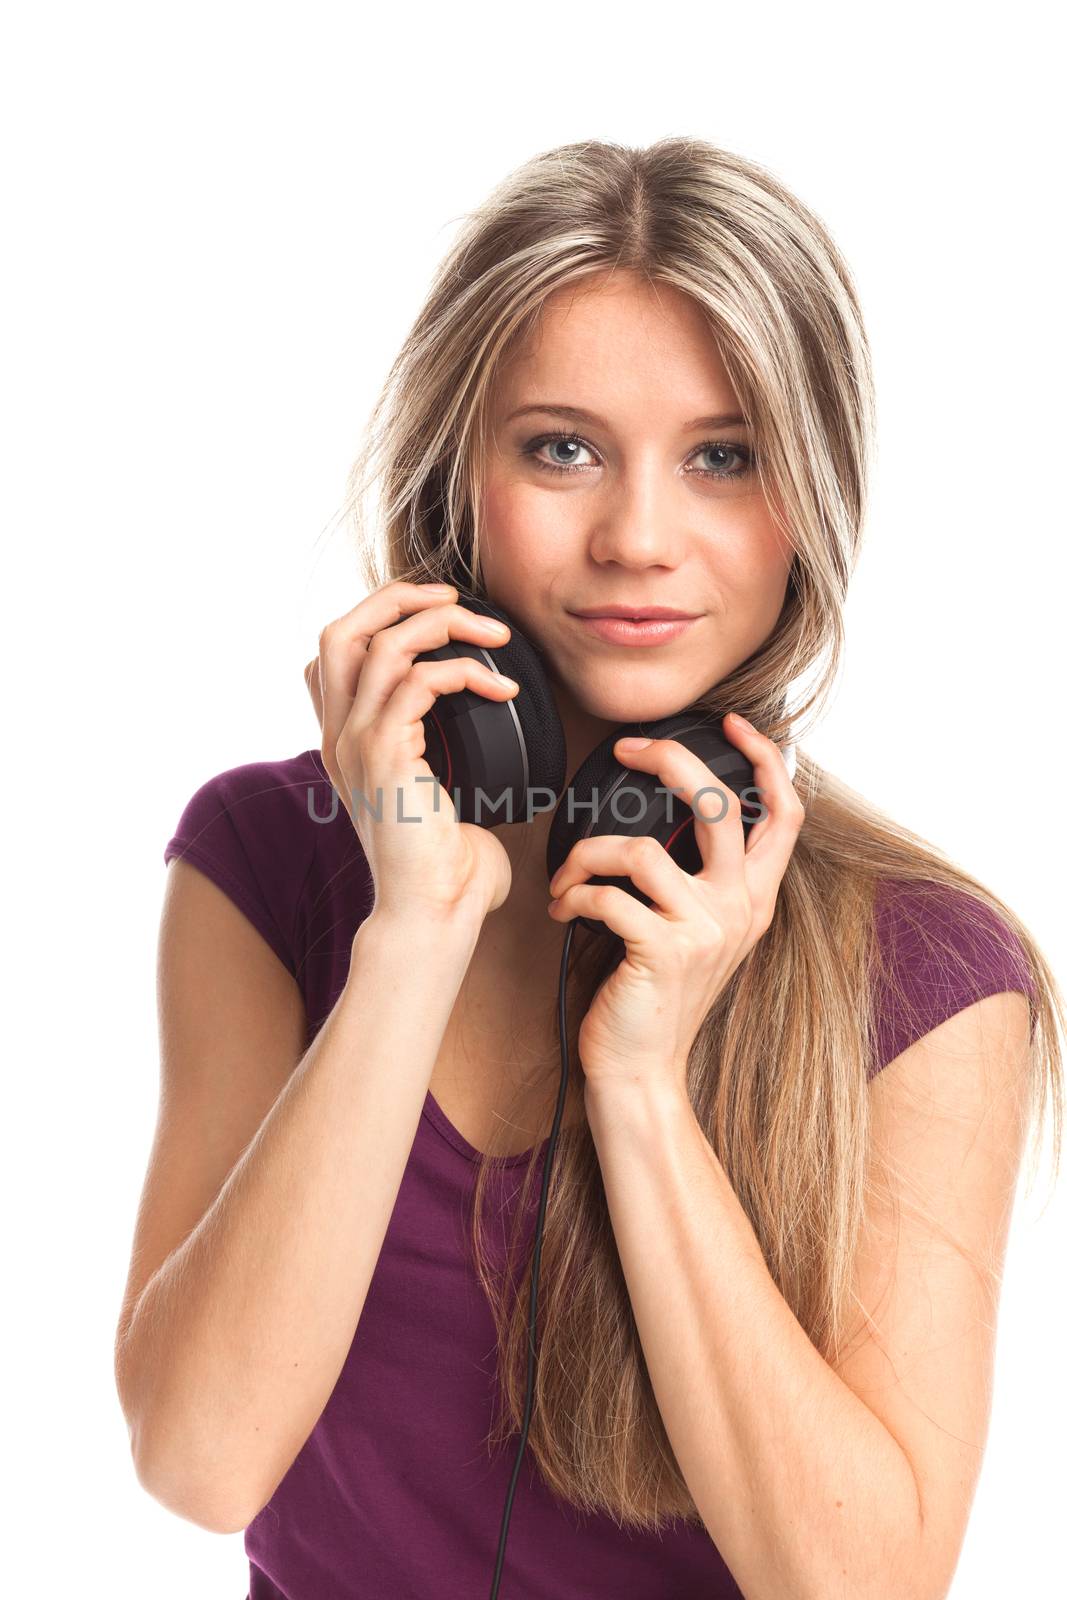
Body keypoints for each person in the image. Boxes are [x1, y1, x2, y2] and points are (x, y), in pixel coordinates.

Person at [113, 137, 1064, 1600]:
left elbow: (861, 1586)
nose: (636, 537)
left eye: (723, 457)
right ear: (458, 478)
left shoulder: (932, 977)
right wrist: (413, 938)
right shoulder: (260, 865)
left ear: (809, 499)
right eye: (561, 448)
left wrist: (640, 1085)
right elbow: (196, 1460)